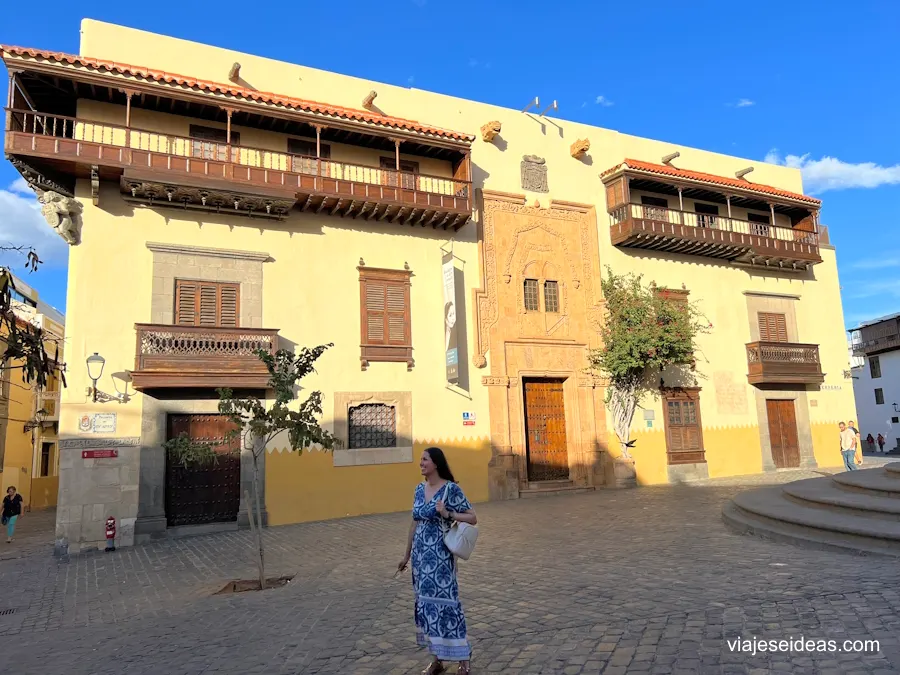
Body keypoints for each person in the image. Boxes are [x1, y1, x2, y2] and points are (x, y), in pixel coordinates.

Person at [399, 447, 477, 675]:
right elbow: (414, 523)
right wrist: (406, 555)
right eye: (421, 459)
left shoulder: (450, 489)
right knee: (427, 607)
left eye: (425, 459)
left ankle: (463, 658)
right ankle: (437, 659)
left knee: (448, 605)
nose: (421, 463)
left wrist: (448, 514)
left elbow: (472, 517)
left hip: (441, 559)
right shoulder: (418, 489)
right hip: (420, 560)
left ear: (436, 463)